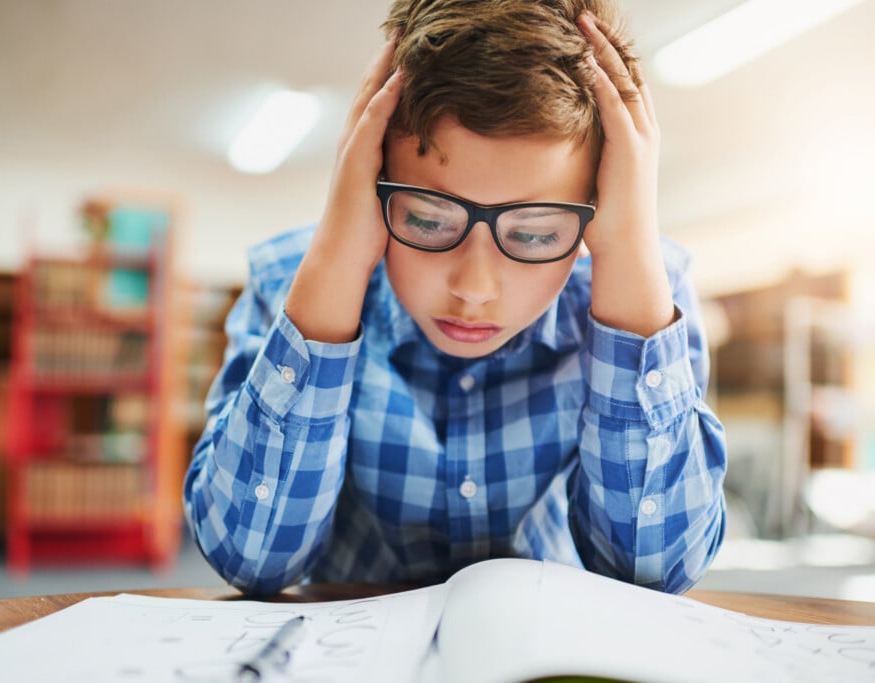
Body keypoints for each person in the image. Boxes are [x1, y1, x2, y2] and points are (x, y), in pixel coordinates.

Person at [184, 0, 727, 596]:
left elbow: (658, 571)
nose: (474, 288)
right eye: (424, 219)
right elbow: (249, 560)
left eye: (537, 233)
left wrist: (627, 252)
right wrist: (337, 259)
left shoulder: (646, 290)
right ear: (369, 182)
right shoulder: (290, 283)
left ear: (597, 213)